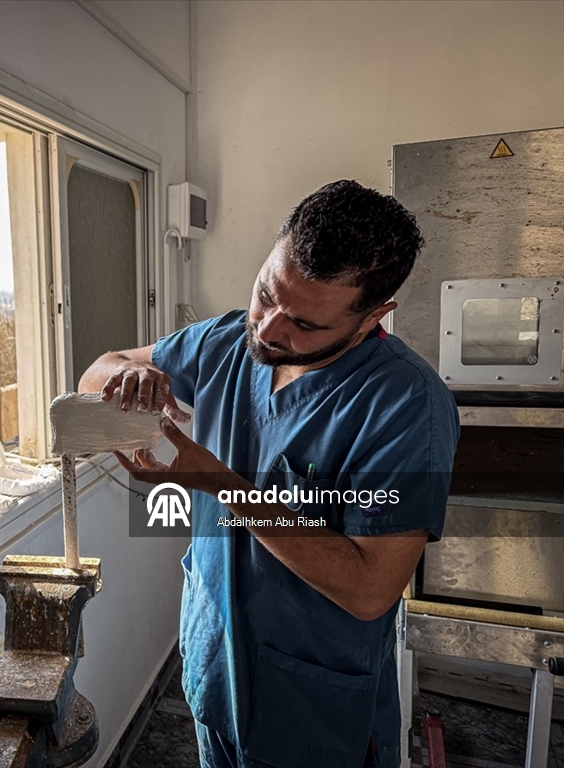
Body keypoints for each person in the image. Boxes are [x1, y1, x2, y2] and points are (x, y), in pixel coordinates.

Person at [79, 180, 459, 768]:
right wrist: (126, 380)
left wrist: (221, 485)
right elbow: (97, 370)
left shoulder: (406, 405)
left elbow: (368, 589)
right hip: (215, 673)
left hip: (310, 709)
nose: (270, 328)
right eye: (266, 293)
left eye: (305, 325)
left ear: (374, 316)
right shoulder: (227, 341)